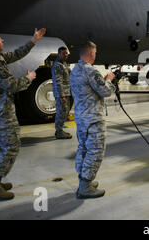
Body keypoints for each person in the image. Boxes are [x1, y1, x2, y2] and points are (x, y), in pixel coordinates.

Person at [0, 28, 46, 200]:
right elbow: (11, 85)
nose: (3, 40)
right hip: (1, 112)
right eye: (0, 40)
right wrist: (29, 78)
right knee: (12, 146)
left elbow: (16, 54)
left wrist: (34, 41)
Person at [70, 41, 115, 199]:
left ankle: (83, 179)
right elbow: (106, 91)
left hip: (81, 118)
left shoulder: (75, 69)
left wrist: (100, 80)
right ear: (90, 53)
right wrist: (109, 79)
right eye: (95, 53)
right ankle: (85, 186)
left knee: (83, 148)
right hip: (94, 118)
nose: (95, 56)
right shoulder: (91, 70)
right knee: (95, 151)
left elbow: (87, 89)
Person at [52, 46, 73, 140]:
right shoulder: (57, 65)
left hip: (66, 92)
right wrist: (61, 95)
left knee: (65, 111)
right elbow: (58, 81)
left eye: (67, 53)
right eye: (64, 53)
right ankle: (59, 132)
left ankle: (59, 130)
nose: (66, 55)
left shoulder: (63, 63)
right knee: (61, 112)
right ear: (59, 54)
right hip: (62, 94)